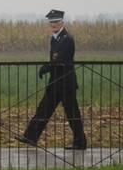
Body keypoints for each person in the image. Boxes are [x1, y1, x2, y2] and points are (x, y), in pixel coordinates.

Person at [14, 9, 88, 150]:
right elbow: (52, 58)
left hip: (66, 83)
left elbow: (59, 59)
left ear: (62, 22)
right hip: (55, 82)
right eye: (51, 22)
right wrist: (46, 66)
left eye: (56, 22)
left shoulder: (67, 39)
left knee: (72, 114)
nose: (53, 24)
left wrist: (46, 68)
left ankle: (80, 142)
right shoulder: (53, 39)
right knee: (43, 110)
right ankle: (30, 136)